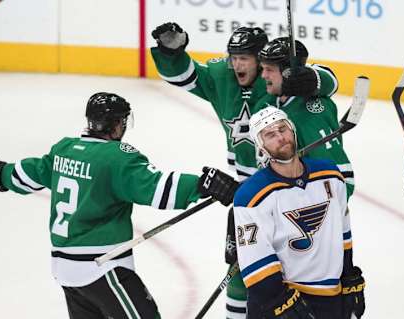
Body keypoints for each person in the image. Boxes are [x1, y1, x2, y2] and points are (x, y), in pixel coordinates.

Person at [0, 92, 238, 319]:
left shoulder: (65, 150)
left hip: (65, 270)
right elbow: (155, 188)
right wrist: (203, 184)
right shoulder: (116, 158)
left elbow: (32, 172)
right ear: (117, 124)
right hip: (101, 267)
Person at [151, 22, 339, 318]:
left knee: (285, 272)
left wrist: (311, 78)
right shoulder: (222, 77)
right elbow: (184, 76)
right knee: (240, 276)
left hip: (285, 195)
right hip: (247, 197)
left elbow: (327, 82)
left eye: (244, 58)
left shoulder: (279, 83)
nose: (236, 64)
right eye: (233, 57)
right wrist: (171, 51)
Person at [234, 106, 365, 319]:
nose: (280, 137)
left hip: (330, 295)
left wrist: (348, 274)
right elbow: (254, 259)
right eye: (270, 134)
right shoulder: (251, 195)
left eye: (282, 129)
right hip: (281, 302)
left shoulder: (330, 174)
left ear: (293, 131)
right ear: (261, 147)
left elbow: (343, 232)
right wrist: (278, 302)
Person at [255, 37, 355, 198]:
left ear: (288, 73)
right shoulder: (264, 105)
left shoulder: (313, 112)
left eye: (269, 70)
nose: (263, 75)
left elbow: (343, 179)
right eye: (263, 69)